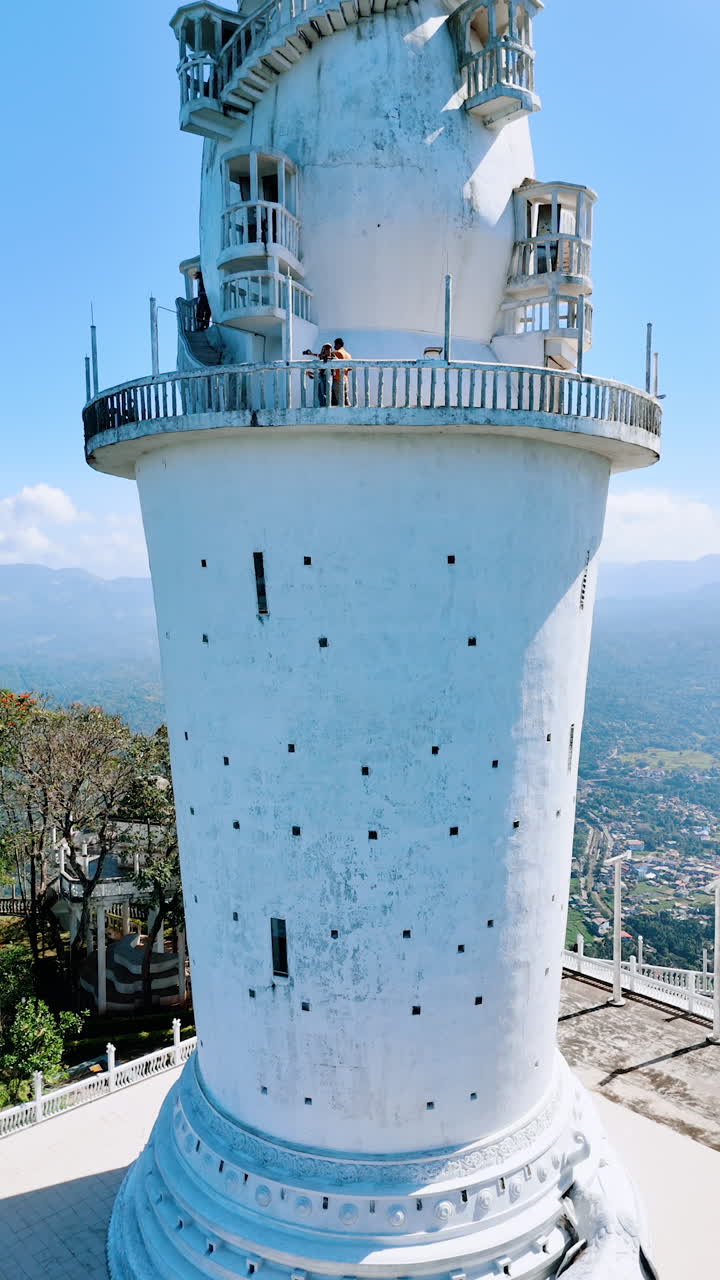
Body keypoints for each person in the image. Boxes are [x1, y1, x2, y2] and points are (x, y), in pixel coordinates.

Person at [333, 337, 352, 405]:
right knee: (346, 398)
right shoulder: (348, 355)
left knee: (340, 399)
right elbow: (350, 368)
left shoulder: (337, 353)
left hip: (338, 379)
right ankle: (351, 412)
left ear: (338, 344)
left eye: (335, 344)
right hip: (345, 378)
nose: (334, 346)